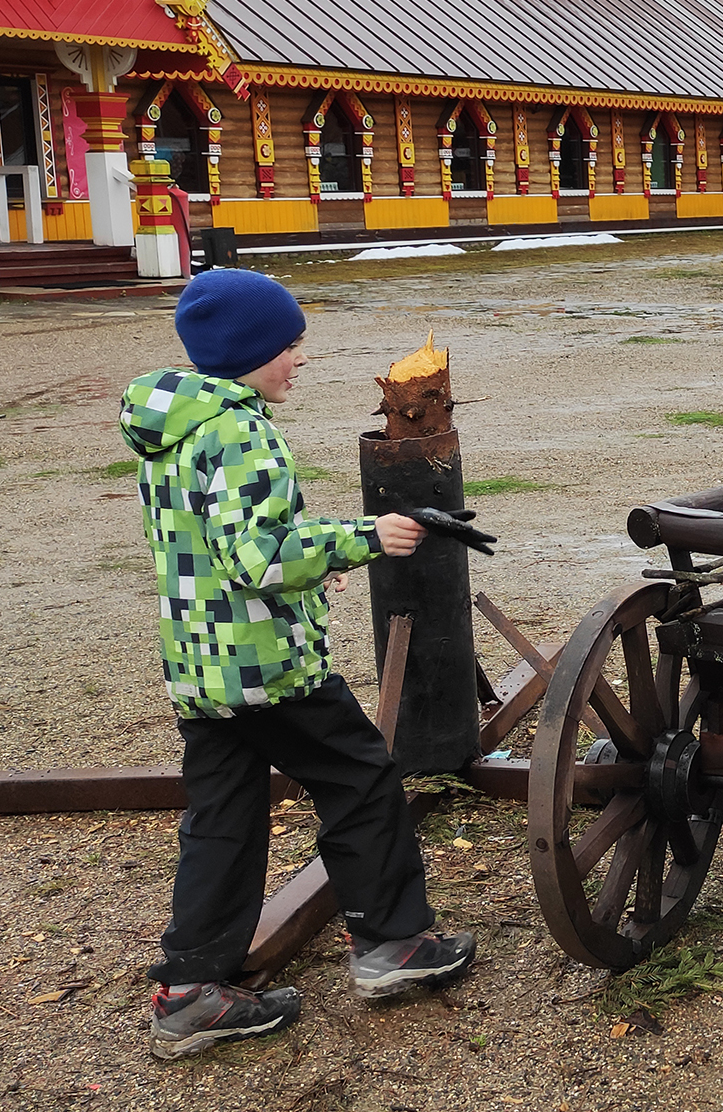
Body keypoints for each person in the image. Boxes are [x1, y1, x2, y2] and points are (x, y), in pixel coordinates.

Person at [118, 268, 475, 1061]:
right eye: (288, 346)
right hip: (265, 665)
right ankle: (393, 944)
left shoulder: (172, 427)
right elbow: (257, 558)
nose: (299, 359)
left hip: (200, 663)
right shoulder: (239, 430)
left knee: (223, 816)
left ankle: (190, 990)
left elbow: (210, 547)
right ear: (248, 352)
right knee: (361, 779)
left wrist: (311, 563)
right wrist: (364, 539)